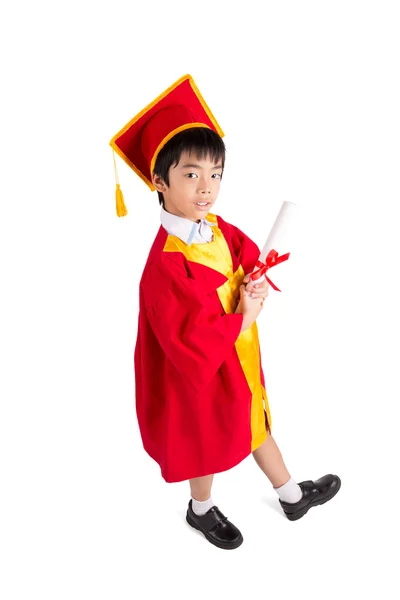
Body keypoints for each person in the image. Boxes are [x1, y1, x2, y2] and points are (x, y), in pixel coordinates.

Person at [110, 74, 341, 550]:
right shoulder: (164, 266)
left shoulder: (216, 228)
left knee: (255, 419)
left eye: (215, 174)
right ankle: (201, 509)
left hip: (239, 357)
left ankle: (292, 495)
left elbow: (245, 255)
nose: (206, 188)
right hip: (201, 370)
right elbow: (188, 339)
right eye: (191, 174)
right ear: (159, 179)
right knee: (207, 437)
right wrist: (246, 316)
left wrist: (257, 275)